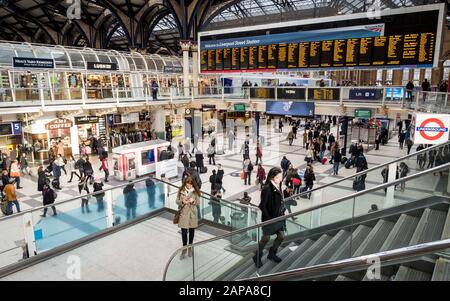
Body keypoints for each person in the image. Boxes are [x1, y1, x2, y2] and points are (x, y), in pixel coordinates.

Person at [253, 167, 285, 268]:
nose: (280, 179)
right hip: (269, 219)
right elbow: (262, 205)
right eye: (278, 177)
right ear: (272, 177)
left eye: (281, 176)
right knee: (266, 238)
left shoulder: (278, 185)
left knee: (281, 236)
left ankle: (272, 253)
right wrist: (269, 219)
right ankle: (257, 256)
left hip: (278, 217)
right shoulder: (267, 189)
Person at [176, 176, 201, 259]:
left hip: (192, 214)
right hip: (184, 213)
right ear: (185, 183)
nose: (189, 185)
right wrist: (182, 201)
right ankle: (184, 248)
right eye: (187, 183)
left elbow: (198, 202)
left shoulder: (195, 192)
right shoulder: (181, 190)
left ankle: (190, 247)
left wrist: (193, 201)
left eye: (190, 183)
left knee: (191, 231)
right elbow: (177, 201)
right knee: (183, 232)